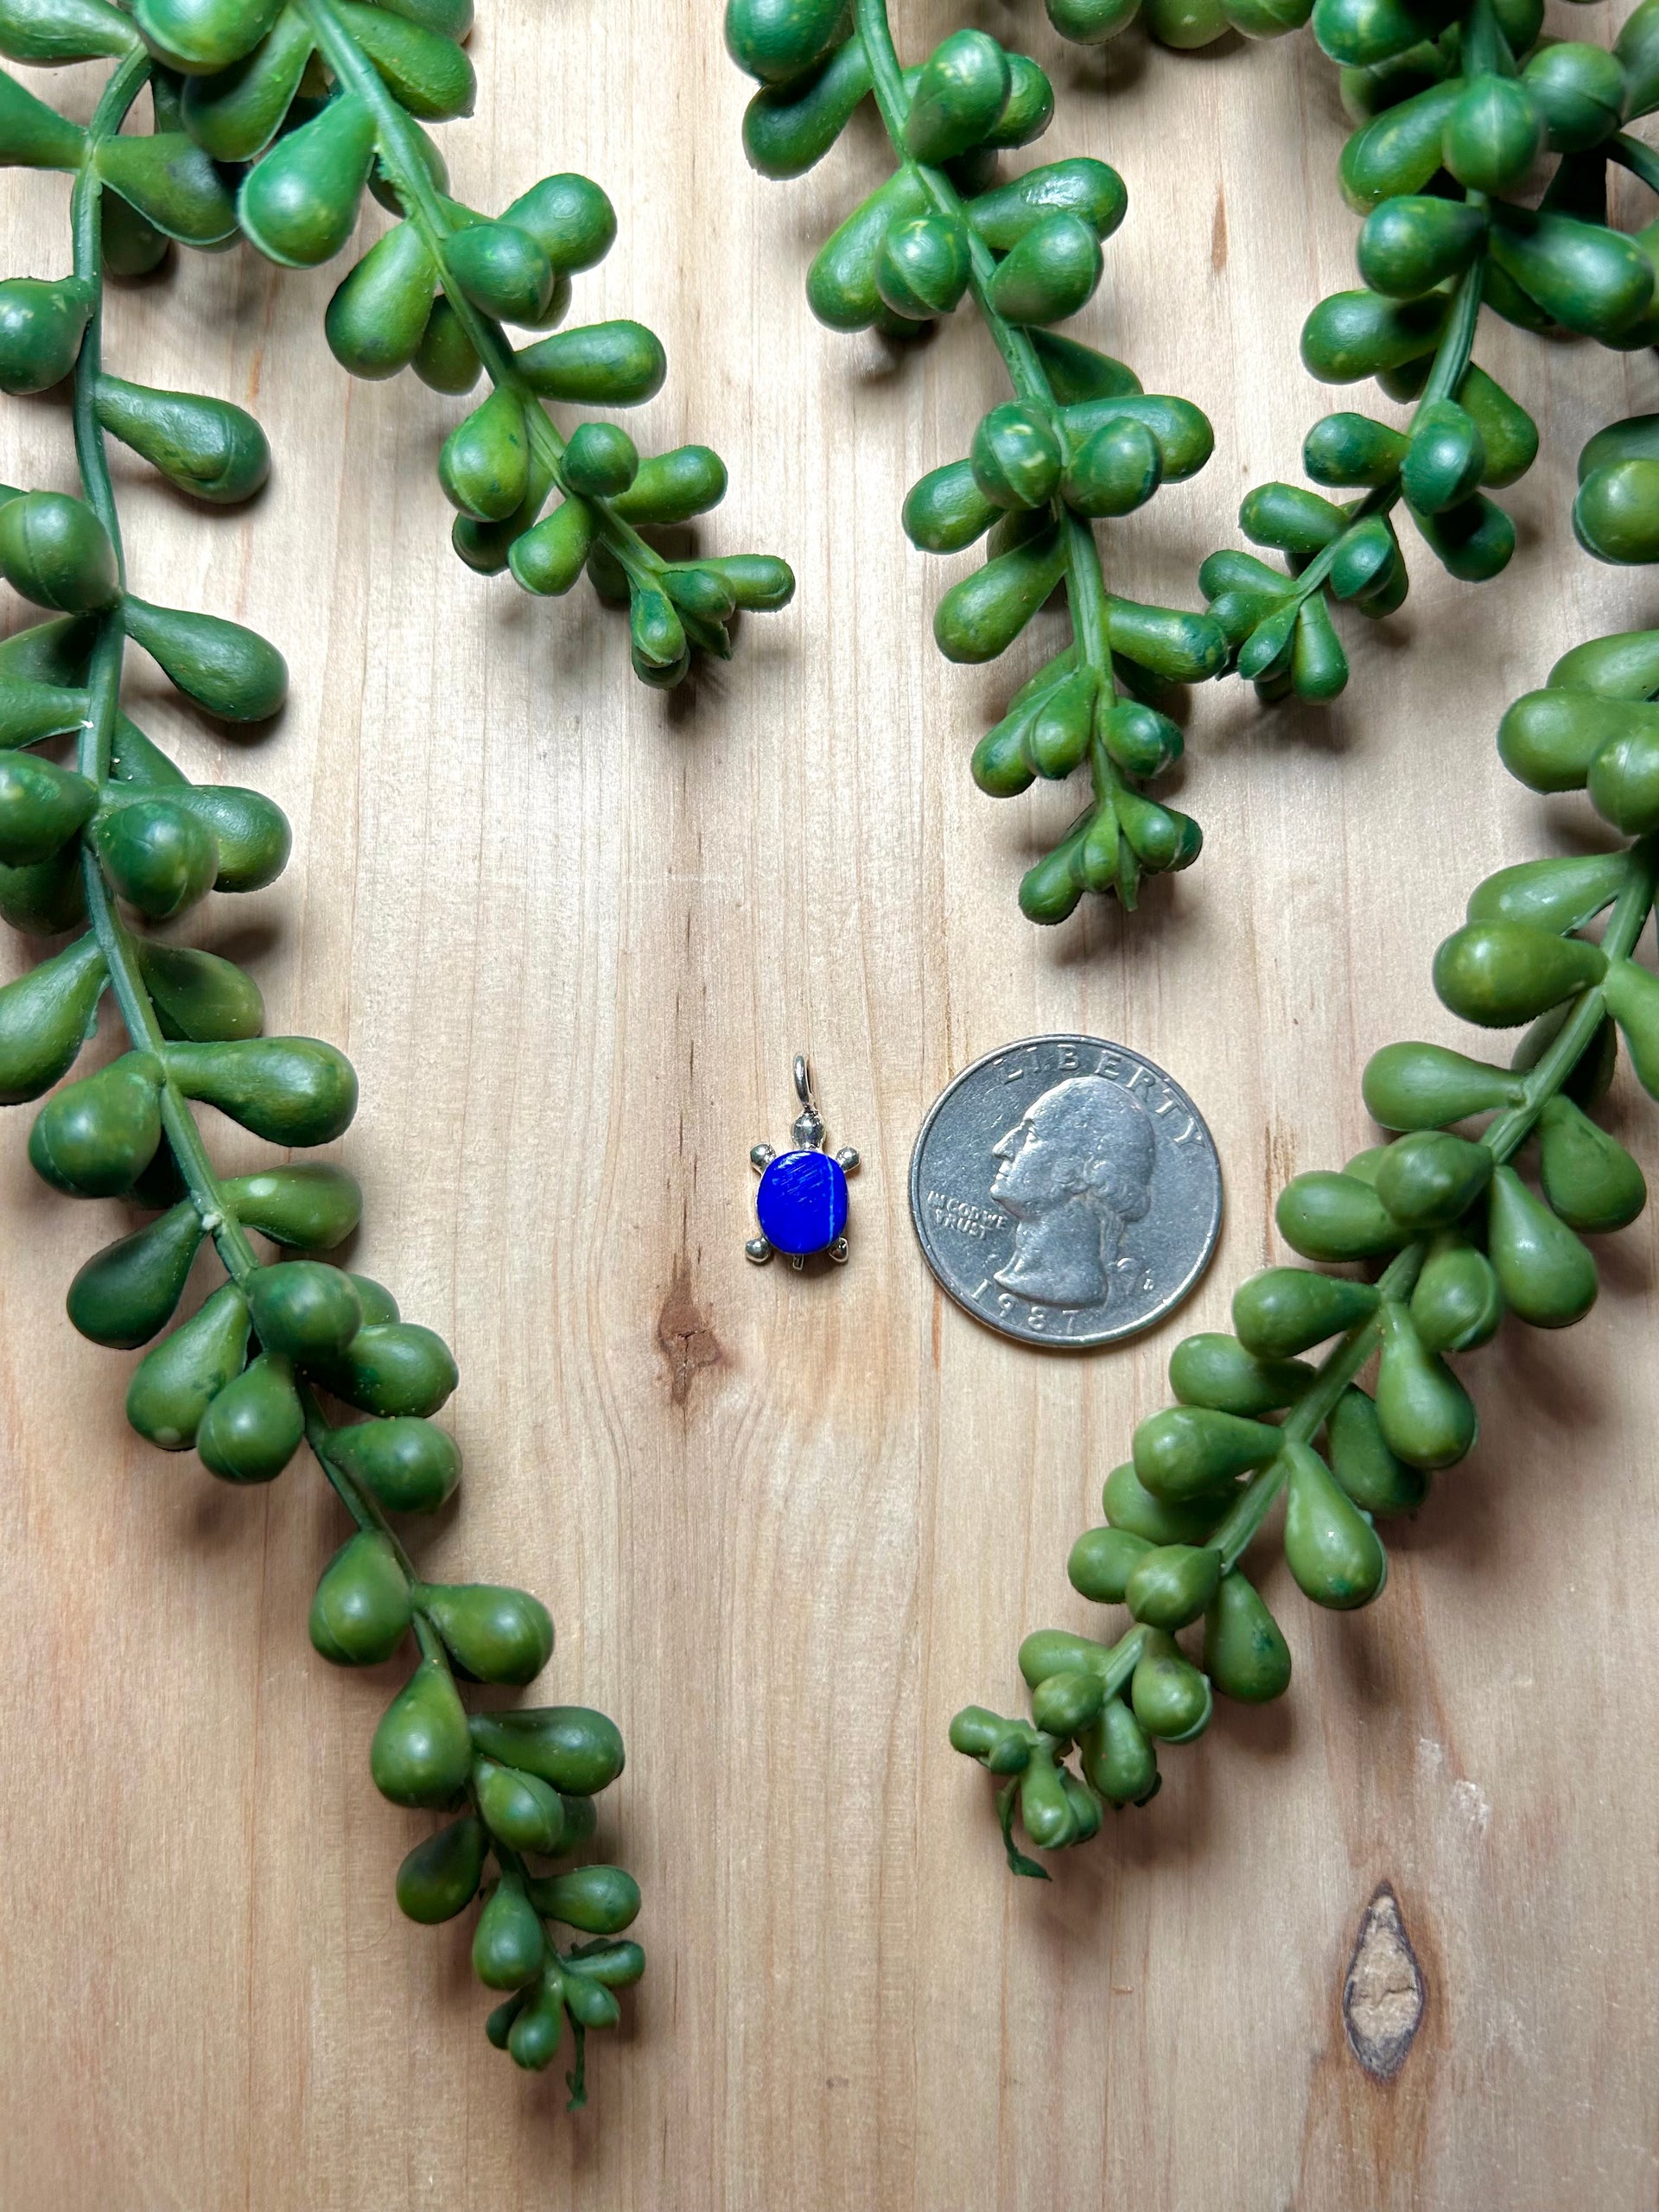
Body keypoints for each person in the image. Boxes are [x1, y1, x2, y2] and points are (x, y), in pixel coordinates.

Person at [990, 1075, 1156, 1307]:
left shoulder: (1070, 1288)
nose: (1002, 1148)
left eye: (1031, 1135)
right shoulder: (1022, 1275)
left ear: (1082, 1171)